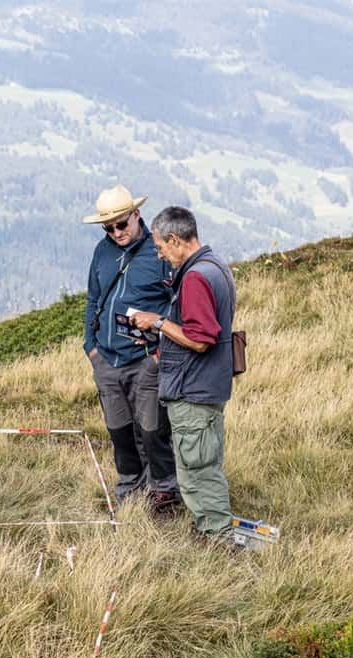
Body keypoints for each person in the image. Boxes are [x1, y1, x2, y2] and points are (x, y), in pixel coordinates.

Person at [130, 206, 236, 541]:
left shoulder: (195, 277)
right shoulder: (215, 265)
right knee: (200, 463)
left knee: (197, 470)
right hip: (207, 385)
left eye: (161, 248)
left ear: (175, 240)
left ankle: (216, 537)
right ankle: (209, 529)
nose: (161, 254)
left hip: (194, 389)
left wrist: (158, 322)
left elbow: (201, 338)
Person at [82, 185, 181, 516]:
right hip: (106, 360)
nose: (116, 232)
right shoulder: (101, 251)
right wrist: (91, 348)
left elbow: (178, 303)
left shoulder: (160, 253)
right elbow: (93, 299)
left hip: (146, 360)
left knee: (153, 430)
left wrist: (158, 351)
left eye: (121, 224)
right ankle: (130, 487)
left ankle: (164, 490)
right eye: (108, 228)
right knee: (119, 430)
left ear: (136, 215)